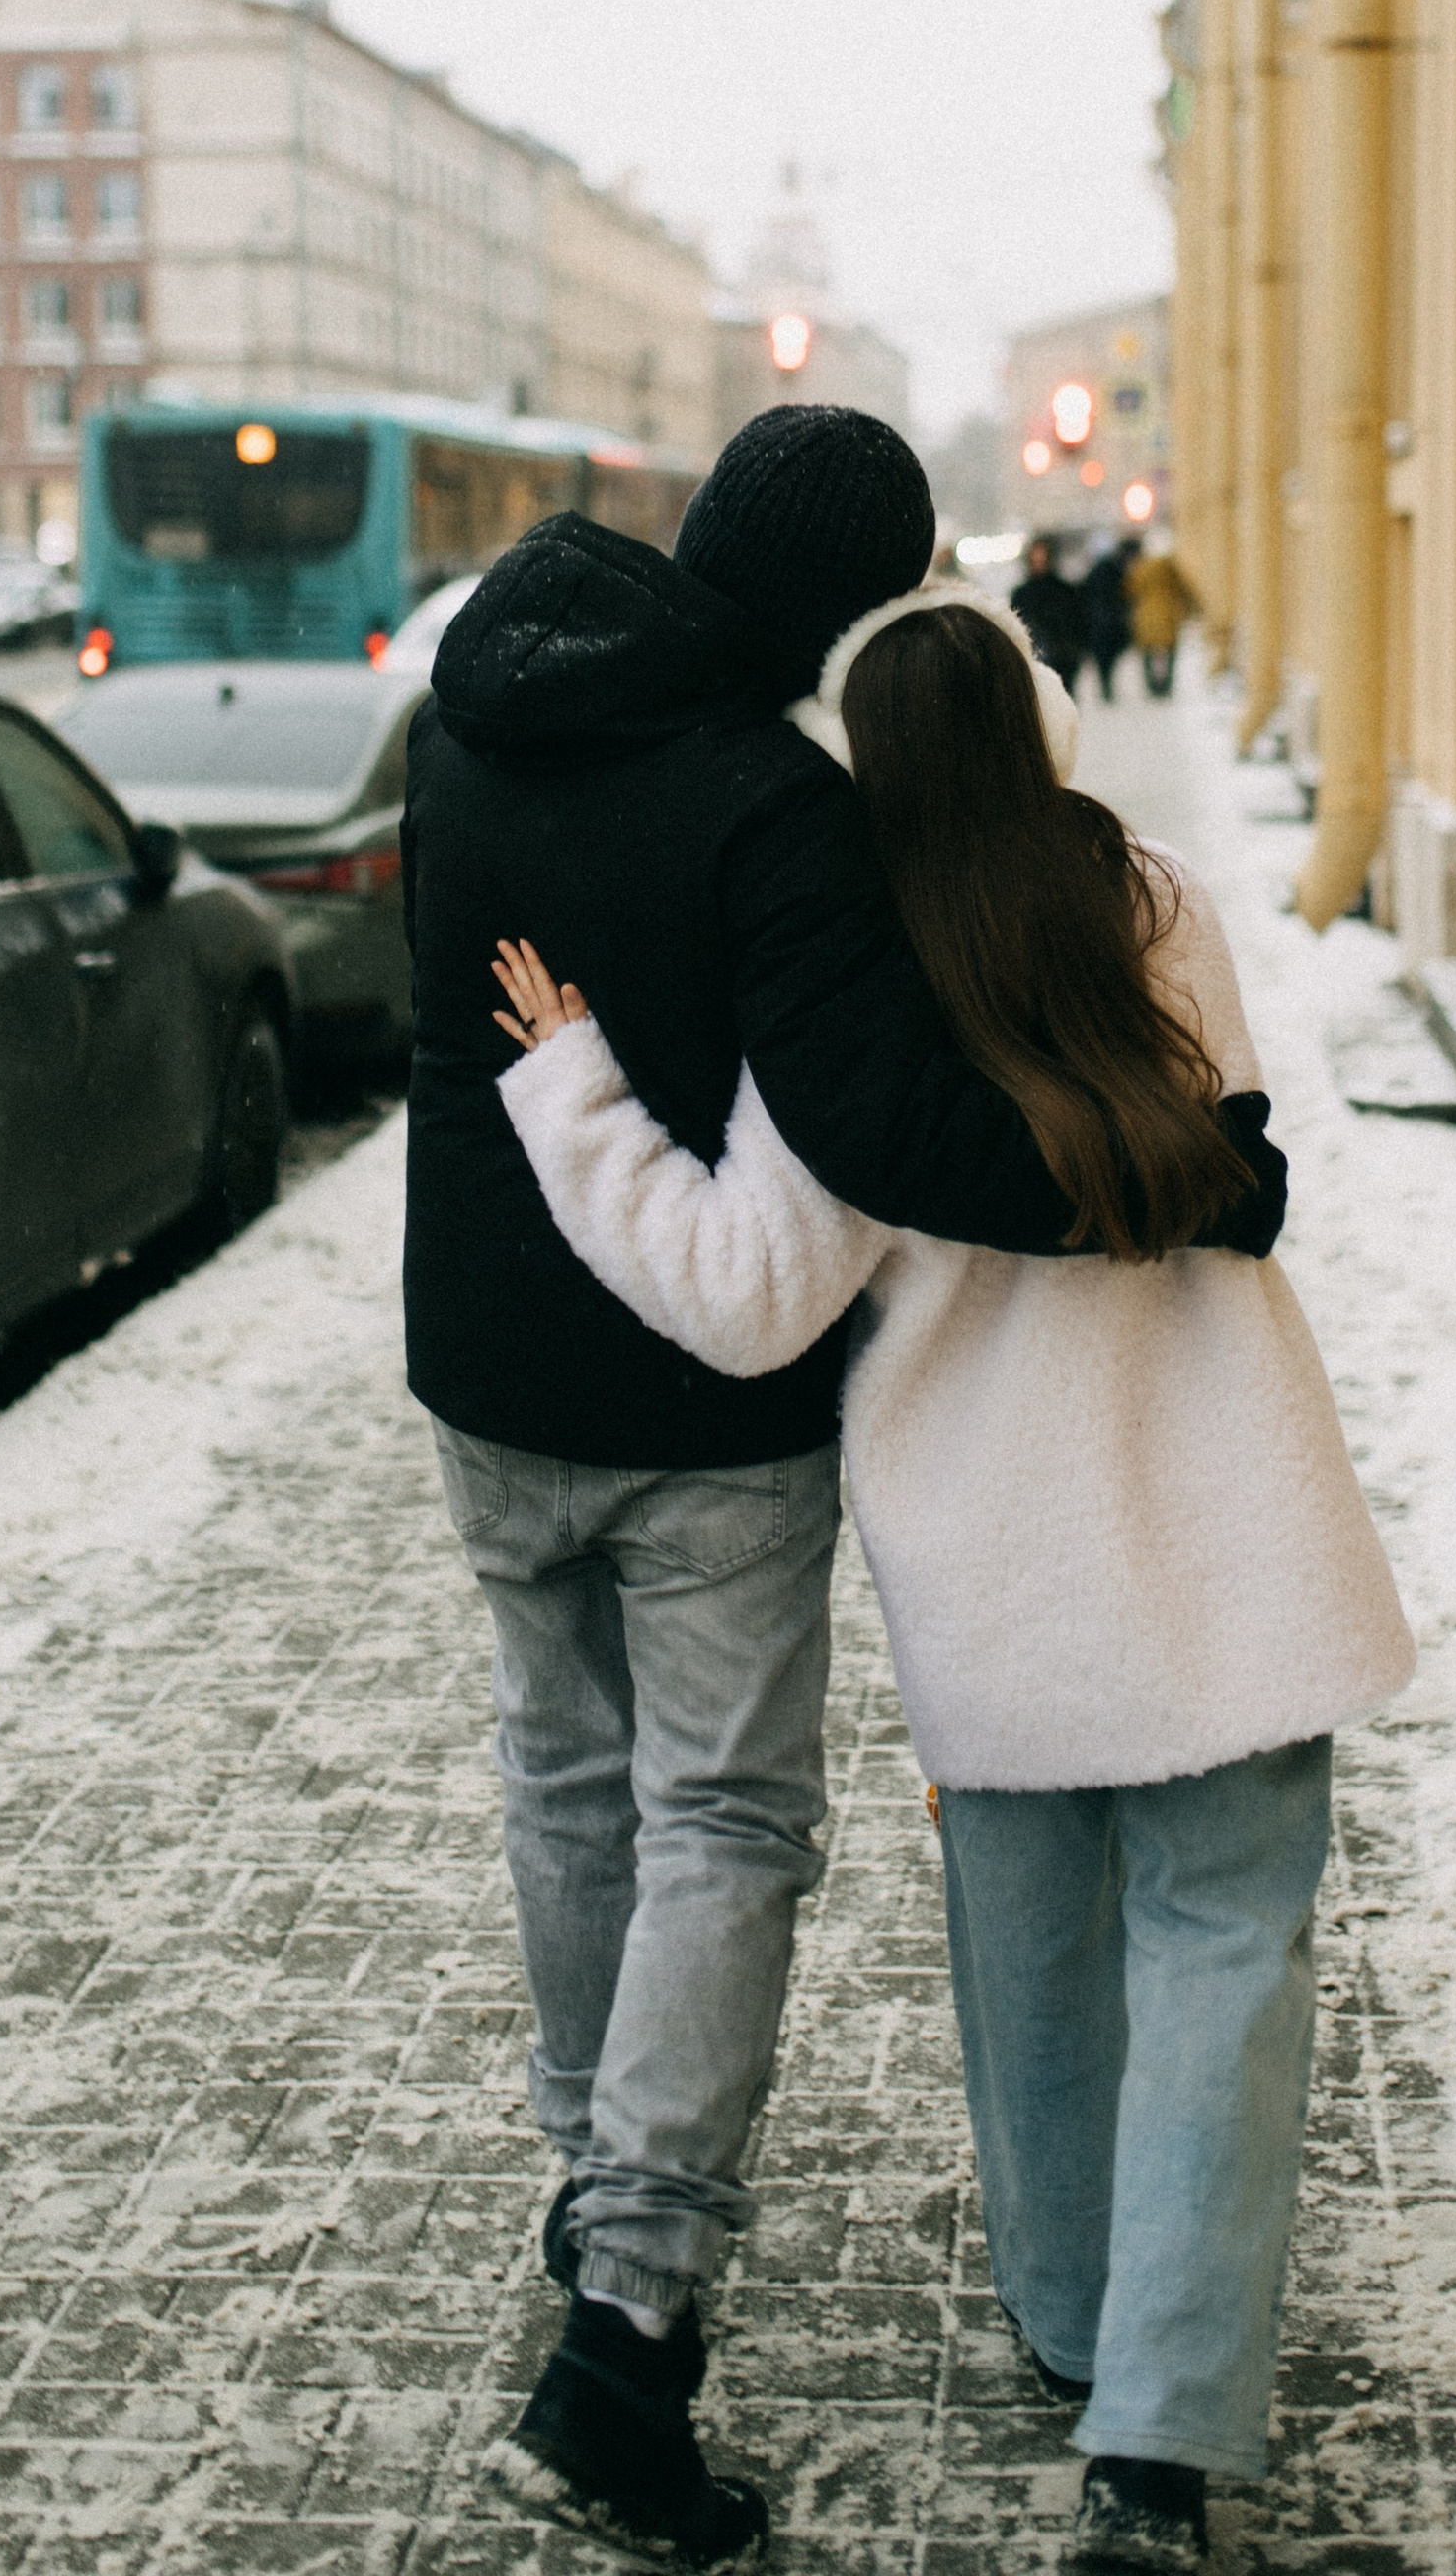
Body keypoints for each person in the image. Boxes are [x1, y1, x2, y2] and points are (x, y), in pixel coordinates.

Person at [487, 580, 1413, 2572]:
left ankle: (1078, 2330)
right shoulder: (1152, 903)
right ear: (1041, 722)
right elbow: (1229, 1140)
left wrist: (568, 1085)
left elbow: (741, 1298)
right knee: (1226, 1957)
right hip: (1230, 1530)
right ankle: (1155, 2444)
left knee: (1037, 1976)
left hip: (998, 1578)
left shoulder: (847, 987)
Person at [400, 408, 1087, 2568]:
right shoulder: (777, 805)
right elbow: (869, 1122)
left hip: (483, 1365)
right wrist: (1145, 1175)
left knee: (559, 1776)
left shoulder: (473, 720)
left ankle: (588, 2186)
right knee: (720, 1821)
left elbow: (456, 1028)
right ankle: (626, 2330)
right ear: (857, 602)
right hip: (701, 1409)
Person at [1011, 531, 1085, 686]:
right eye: (1036, 558)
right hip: (1034, 661)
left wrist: (1074, 651)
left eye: (1042, 558)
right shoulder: (1022, 594)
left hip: (1062, 661)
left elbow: (1077, 622)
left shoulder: (1064, 590)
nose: (1039, 562)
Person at [1127, 540, 1197, 700]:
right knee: (1170, 650)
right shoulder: (1170, 568)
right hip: (1168, 613)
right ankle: (1166, 685)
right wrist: (1191, 609)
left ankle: (1151, 686)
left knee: (1147, 651)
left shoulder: (1141, 568)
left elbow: (1130, 589)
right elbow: (1184, 590)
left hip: (1146, 615)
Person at [1078, 538, 1137, 704]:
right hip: (1107, 623)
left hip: (1099, 623)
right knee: (1107, 659)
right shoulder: (1115, 573)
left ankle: (1106, 687)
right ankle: (1106, 687)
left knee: (1104, 660)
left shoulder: (1097, 573)